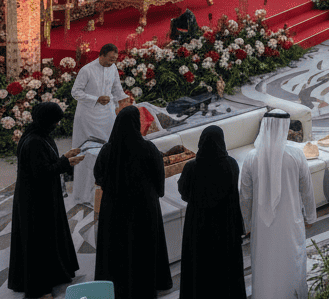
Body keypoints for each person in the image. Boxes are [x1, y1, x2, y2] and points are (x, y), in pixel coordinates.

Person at [94, 105, 172, 299]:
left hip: (114, 207)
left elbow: (99, 176)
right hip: (144, 207)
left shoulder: (107, 150)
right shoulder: (148, 148)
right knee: (144, 247)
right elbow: (158, 176)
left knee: (116, 248)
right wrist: (156, 193)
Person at [9, 102, 83, 299]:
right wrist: (66, 162)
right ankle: (39, 289)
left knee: (49, 237)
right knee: (39, 242)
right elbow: (42, 173)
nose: (56, 125)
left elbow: (46, 162)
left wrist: (65, 157)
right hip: (35, 201)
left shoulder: (39, 134)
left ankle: (54, 275)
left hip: (42, 196)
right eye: (55, 121)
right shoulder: (34, 141)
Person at [239, 109, 316, 299]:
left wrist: (247, 225)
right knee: (290, 263)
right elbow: (307, 190)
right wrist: (310, 217)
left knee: (266, 267)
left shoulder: (251, 158)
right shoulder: (296, 155)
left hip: (261, 227)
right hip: (291, 223)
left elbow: (245, 197)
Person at [178, 125, 246, 299]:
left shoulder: (191, 168)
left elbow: (184, 193)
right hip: (226, 225)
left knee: (199, 267)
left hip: (198, 227)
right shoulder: (231, 164)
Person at [71, 42, 127, 205]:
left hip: (107, 115)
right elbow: (75, 92)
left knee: (107, 150)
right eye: (110, 59)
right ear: (101, 55)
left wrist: (125, 100)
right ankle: (83, 194)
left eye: (114, 60)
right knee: (87, 152)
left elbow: (117, 88)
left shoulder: (113, 68)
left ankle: (104, 190)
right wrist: (95, 99)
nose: (112, 62)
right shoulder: (87, 70)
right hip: (88, 117)